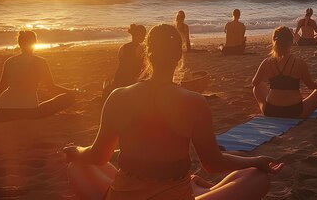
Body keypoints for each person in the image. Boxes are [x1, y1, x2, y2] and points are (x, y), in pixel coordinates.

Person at [64, 24, 281, 200]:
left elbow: (98, 156)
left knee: (77, 166)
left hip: (123, 195)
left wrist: (77, 151)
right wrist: (257, 160)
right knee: (257, 177)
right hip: (175, 193)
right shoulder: (195, 102)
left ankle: (194, 186)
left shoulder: (119, 96)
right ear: (178, 56)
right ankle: (197, 189)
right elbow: (213, 163)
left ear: (147, 54)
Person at [0, 31, 76, 122]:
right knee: (70, 98)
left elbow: (1, 87)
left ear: (19, 44)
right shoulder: (41, 62)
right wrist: (71, 91)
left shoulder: (9, 61)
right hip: (29, 111)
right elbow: (51, 87)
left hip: (3, 110)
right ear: (35, 43)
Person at [252, 26, 317, 119]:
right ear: (291, 42)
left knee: (257, 87)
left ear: (274, 41)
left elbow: (254, 83)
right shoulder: (299, 63)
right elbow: (310, 85)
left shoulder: (267, 62)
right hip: (295, 112)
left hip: (271, 111)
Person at [102, 24, 147, 99]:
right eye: (143, 35)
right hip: (132, 79)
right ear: (141, 35)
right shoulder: (141, 49)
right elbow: (143, 66)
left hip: (120, 77)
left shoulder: (122, 47)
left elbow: (122, 63)